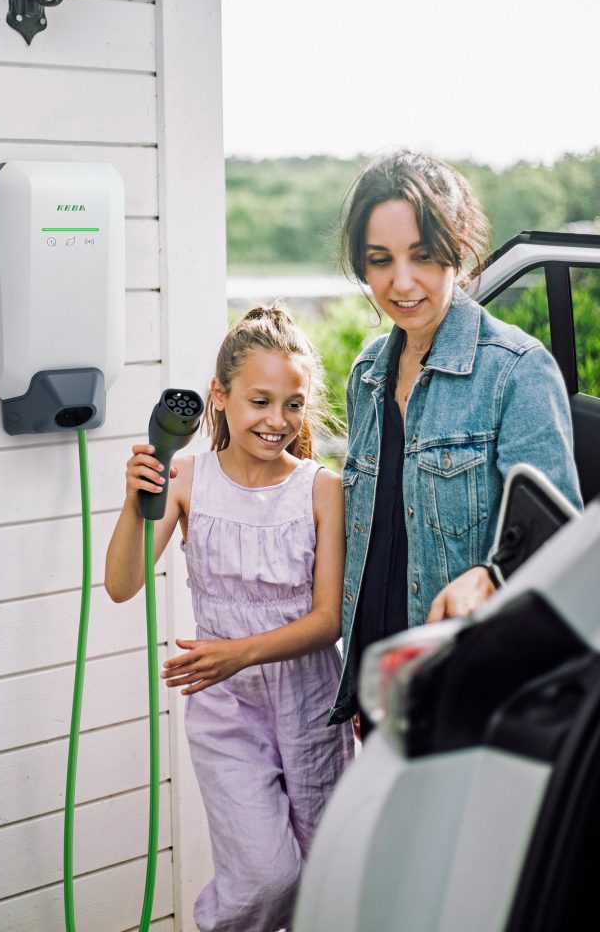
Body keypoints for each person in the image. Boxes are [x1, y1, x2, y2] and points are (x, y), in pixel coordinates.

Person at [105, 305, 355, 932]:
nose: (277, 421)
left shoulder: (322, 489)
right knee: (266, 879)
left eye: (293, 404)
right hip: (226, 708)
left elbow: (327, 621)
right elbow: (120, 585)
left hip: (310, 700)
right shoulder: (187, 480)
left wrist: (240, 651)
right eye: (260, 401)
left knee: (323, 874)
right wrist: (136, 501)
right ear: (220, 395)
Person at [327, 150, 583, 739]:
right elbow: (377, 530)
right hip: (382, 687)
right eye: (379, 261)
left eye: (422, 255)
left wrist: (492, 577)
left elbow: (561, 545)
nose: (402, 282)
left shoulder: (517, 372)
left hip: (469, 695)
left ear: (460, 242)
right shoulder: (367, 371)